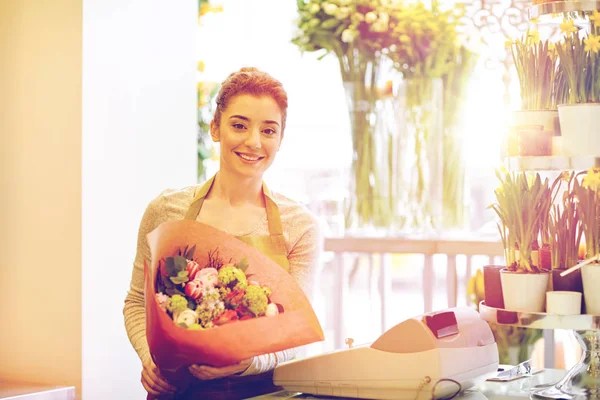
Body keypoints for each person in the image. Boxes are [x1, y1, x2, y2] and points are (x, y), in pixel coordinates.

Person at [123, 67, 323, 399]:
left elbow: (295, 335)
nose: (253, 142)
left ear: (280, 139)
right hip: (175, 391)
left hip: (260, 392)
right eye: (239, 125)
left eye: (268, 130)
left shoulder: (299, 226)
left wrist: (244, 363)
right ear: (216, 128)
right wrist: (149, 358)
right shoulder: (166, 209)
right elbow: (135, 302)